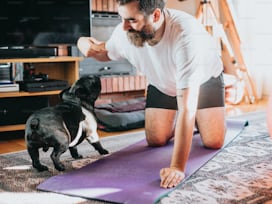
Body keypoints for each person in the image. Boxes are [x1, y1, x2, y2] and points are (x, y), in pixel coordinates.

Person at [77, 0, 226, 189]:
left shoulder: (186, 37)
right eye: (121, 18)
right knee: (156, 140)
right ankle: (191, 123)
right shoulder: (126, 31)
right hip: (162, 82)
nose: (123, 26)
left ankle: (199, 120)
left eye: (131, 20)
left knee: (213, 141)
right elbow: (104, 53)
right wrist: (81, 42)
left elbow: (186, 110)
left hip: (204, 81)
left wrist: (177, 168)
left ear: (155, 15)